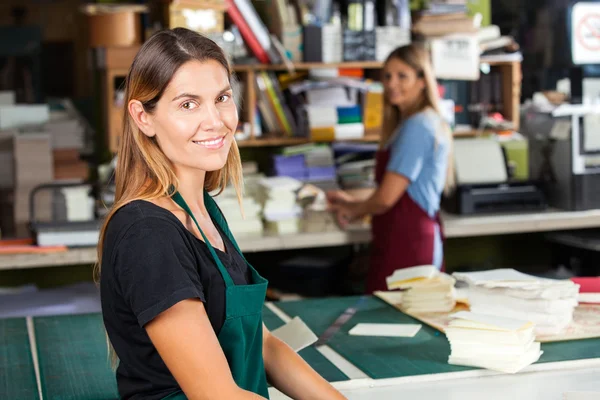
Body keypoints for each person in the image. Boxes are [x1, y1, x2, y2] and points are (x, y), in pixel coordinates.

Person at [97, 28, 346, 400]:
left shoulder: (204, 212)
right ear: (143, 117)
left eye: (222, 98)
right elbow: (218, 396)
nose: (215, 120)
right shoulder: (147, 233)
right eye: (188, 104)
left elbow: (264, 346)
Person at [327, 44, 455, 294]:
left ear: (421, 80)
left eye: (402, 76)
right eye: (387, 76)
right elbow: (396, 191)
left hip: (408, 244)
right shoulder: (417, 121)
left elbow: (386, 199)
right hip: (402, 237)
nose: (391, 83)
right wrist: (351, 203)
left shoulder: (417, 126)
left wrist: (354, 210)